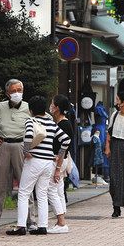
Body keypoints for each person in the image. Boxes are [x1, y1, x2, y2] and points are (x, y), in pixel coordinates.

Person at [6, 96, 71, 235]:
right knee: (42, 194)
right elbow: (66, 139)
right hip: (48, 163)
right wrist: (59, 154)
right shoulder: (51, 122)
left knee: (24, 193)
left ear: (30, 110)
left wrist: (26, 151)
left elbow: (29, 134)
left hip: (34, 161)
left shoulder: (31, 120)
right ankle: (42, 226)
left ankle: (21, 226)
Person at [0, 79, 34, 233]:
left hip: (22, 146)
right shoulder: (0, 107)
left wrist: (32, 144)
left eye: (19, 90)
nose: (16, 93)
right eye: (13, 91)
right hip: (4, 145)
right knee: (0, 186)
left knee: (25, 184)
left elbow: (40, 123)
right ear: (7, 93)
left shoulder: (29, 107)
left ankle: (30, 221)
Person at [46, 94, 73, 234]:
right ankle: (61, 220)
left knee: (51, 189)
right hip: (60, 160)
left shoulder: (63, 124)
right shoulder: (62, 123)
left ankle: (61, 221)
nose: (50, 106)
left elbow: (63, 148)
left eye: (52, 104)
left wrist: (57, 168)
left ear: (56, 108)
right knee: (59, 189)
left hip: (58, 160)